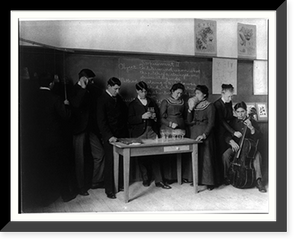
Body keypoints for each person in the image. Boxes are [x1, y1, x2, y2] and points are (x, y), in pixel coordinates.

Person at [28, 72, 74, 208]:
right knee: (61, 166)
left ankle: (42, 198)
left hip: (35, 140)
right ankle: (66, 195)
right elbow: (66, 116)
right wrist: (66, 105)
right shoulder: (55, 98)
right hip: (54, 139)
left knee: (41, 169)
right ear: (51, 84)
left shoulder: (31, 97)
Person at [128, 81, 171, 189]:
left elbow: (158, 118)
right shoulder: (132, 104)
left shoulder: (151, 102)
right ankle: (145, 178)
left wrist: (154, 118)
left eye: (145, 91)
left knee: (157, 155)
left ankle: (159, 180)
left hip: (151, 131)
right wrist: (142, 117)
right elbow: (129, 120)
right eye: (142, 91)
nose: (144, 93)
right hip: (140, 133)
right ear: (137, 91)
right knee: (141, 156)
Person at [69, 69, 105, 196]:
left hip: (90, 129)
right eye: (90, 79)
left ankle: (96, 181)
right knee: (80, 159)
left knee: (100, 153)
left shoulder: (91, 90)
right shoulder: (73, 90)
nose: (93, 82)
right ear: (84, 79)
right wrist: (83, 88)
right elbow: (76, 104)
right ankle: (80, 187)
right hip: (78, 130)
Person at [222, 102, 267, 193]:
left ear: (246, 111)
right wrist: (231, 141)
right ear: (235, 112)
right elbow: (226, 134)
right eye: (238, 112)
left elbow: (259, 136)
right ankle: (227, 176)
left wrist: (251, 128)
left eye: (242, 111)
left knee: (257, 156)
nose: (240, 114)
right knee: (225, 155)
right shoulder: (233, 122)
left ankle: (259, 181)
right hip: (236, 147)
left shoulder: (252, 121)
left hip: (249, 149)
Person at [97, 77, 129, 199]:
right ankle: (109, 189)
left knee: (119, 160)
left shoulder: (118, 98)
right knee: (110, 162)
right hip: (110, 137)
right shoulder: (101, 99)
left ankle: (118, 185)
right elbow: (101, 121)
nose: (117, 91)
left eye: (119, 89)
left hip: (120, 135)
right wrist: (109, 136)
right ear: (109, 86)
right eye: (115, 89)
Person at [187, 85, 217, 191]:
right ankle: (196, 179)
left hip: (205, 134)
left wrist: (204, 134)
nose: (196, 95)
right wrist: (190, 110)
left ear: (204, 95)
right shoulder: (195, 105)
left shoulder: (210, 106)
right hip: (194, 132)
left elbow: (211, 123)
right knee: (196, 155)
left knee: (206, 157)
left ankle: (208, 182)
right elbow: (189, 121)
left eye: (198, 93)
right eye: (196, 93)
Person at [160, 83, 187, 184]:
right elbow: (161, 118)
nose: (179, 95)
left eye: (181, 93)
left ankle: (179, 176)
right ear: (172, 91)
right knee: (169, 153)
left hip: (181, 130)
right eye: (177, 93)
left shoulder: (182, 102)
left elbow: (184, 116)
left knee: (180, 153)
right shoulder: (165, 102)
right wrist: (170, 124)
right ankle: (168, 177)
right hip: (168, 130)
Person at [213, 84, 238, 186]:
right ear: (222, 93)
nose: (230, 98)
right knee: (220, 155)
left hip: (227, 132)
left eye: (231, 96)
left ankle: (228, 177)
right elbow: (222, 121)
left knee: (226, 155)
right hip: (219, 133)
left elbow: (230, 117)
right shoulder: (217, 104)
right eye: (229, 96)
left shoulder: (229, 102)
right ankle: (221, 179)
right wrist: (233, 132)